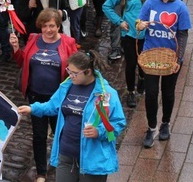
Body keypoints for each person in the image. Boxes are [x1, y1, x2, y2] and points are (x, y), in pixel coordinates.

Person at [18, 51, 126, 182]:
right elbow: (52, 106)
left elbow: (118, 123)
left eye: (74, 73)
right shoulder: (67, 86)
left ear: (88, 72)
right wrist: (32, 108)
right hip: (66, 155)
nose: (70, 75)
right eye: (69, 70)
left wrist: (99, 131)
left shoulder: (106, 94)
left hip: (92, 160)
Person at [8, 9, 78, 182]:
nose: (48, 30)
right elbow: (23, 62)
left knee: (60, 133)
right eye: (45, 26)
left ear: (58, 26)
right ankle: (41, 171)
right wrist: (16, 49)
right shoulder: (32, 39)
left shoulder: (68, 42)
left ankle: (64, 166)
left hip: (58, 98)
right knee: (39, 135)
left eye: (52, 26)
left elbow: (76, 68)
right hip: (36, 96)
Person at [136, 0, 192, 148]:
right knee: (151, 93)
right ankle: (151, 127)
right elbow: (138, 23)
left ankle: (165, 123)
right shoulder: (150, 3)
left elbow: (182, 35)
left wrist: (179, 58)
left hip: (170, 57)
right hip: (151, 54)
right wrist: (140, 25)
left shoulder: (180, 8)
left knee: (168, 92)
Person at [102, 0, 156, 108]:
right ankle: (131, 91)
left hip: (147, 34)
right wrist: (119, 21)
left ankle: (143, 79)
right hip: (129, 34)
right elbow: (106, 6)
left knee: (143, 62)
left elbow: (158, 4)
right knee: (131, 64)